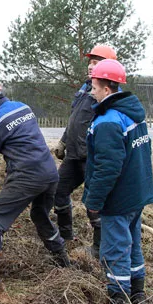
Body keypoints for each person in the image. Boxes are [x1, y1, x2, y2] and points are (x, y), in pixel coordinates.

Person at [0, 78, 72, 289]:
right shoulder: (23, 107)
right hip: (49, 173)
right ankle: (63, 259)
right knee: (40, 215)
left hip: (26, 176)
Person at [82, 59, 153, 304]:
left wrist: (94, 199)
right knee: (133, 243)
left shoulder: (108, 122)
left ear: (107, 89)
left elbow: (107, 167)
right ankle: (138, 294)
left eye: (94, 85)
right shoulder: (131, 112)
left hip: (119, 197)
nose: (91, 89)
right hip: (137, 192)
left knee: (114, 248)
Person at [53, 44, 117, 257]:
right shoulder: (85, 88)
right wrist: (63, 141)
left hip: (90, 157)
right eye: (90, 62)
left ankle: (99, 248)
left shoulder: (108, 95)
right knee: (58, 190)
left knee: (94, 203)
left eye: (96, 62)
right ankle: (66, 236)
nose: (91, 66)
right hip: (73, 155)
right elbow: (75, 119)